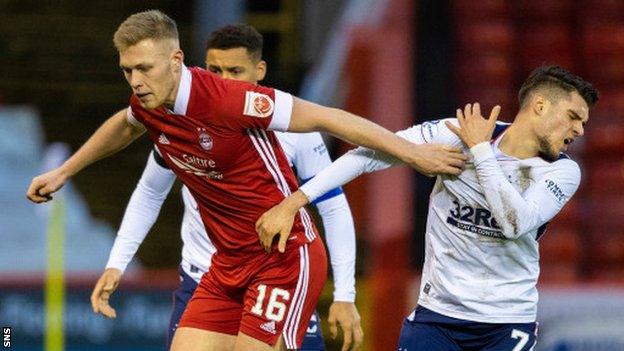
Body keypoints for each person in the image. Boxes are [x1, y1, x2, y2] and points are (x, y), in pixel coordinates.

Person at [26, 10, 465, 351]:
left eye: (144, 68)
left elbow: (331, 118)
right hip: (226, 265)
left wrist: (413, 153)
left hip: (283, 259)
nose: (136, 82)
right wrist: (66, 170)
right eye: (127, 71)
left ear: (176, 61)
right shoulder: (150, 103)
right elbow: (125, 124)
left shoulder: (229, 100)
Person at [255, 65, 598, 350]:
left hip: (505, 324)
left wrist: (480, 152)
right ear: (539, 105)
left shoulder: (562, 171)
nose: (579, 129)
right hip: (437, 318)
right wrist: (295, 201)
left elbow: (514, 222)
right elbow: (366, 157)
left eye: (582, 122)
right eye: (572, 117)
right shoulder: (452, 135)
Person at [89, 24, 362, 351]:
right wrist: (117, 261)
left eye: (235, 70)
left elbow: (331, 205)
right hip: (204, 278)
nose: (223, 79)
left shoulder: (294, 132)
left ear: (259, 71)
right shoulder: (176, 118)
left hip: (272, 275)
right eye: (214, 69)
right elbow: (150, 193)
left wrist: (345, 293)